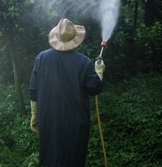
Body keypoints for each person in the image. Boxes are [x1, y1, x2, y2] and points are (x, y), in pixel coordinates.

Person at [28, 18, 105, 167]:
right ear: (74, 39)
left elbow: (33, 90)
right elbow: (95, 88)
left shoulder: (41, 58)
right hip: (75, 125)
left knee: (49, 158)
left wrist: (34, 114)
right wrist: (99, 71)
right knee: (73, 159)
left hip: (48, 120)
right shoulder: (84, 62)